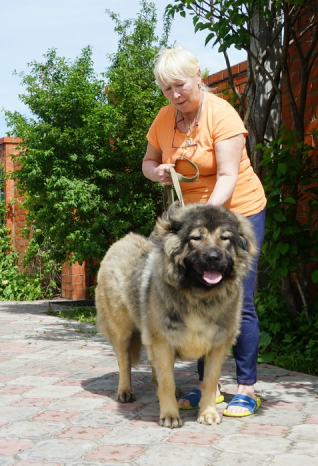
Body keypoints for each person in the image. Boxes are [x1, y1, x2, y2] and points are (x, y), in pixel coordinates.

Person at [142, 44, 266, 417]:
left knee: (236, 302)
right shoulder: (165, 119)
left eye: (180, 85)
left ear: (199, 77)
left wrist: (204, 221)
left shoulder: (221, 114)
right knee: (197, 299)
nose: (175, 95)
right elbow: (147, 162)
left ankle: (246, 386)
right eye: (167, 89)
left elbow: (228, 174)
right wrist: (158, 172)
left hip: (236, 213)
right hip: (194, 221)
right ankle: (206, 387)